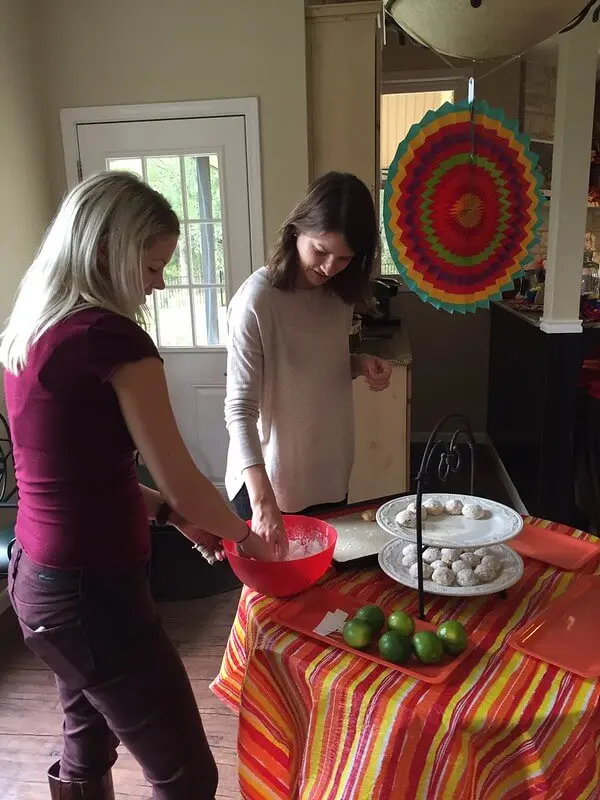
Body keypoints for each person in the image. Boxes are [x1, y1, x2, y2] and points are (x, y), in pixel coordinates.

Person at [0, 171, 274, 800]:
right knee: (186, 776)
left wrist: (173, 517)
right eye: (152, 266)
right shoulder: (111, 339)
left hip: (37, 581)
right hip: (92, 596)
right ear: (106, 250)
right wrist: (248, 538)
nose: (159, 283)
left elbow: (83, 477)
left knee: (86, 741)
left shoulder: (33, 331)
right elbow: (183, 480)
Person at [225, 171, 392, 556]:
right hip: (268, 482)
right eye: (320, 250)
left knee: (327, 583)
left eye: (345, 258)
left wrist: (359, 363)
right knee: (274, 589)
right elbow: (240, 410)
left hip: (327, 473)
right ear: (295, 231)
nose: (330, 267)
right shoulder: (257, 301)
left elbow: (315, 366)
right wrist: (262, 501)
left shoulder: (338, 295)